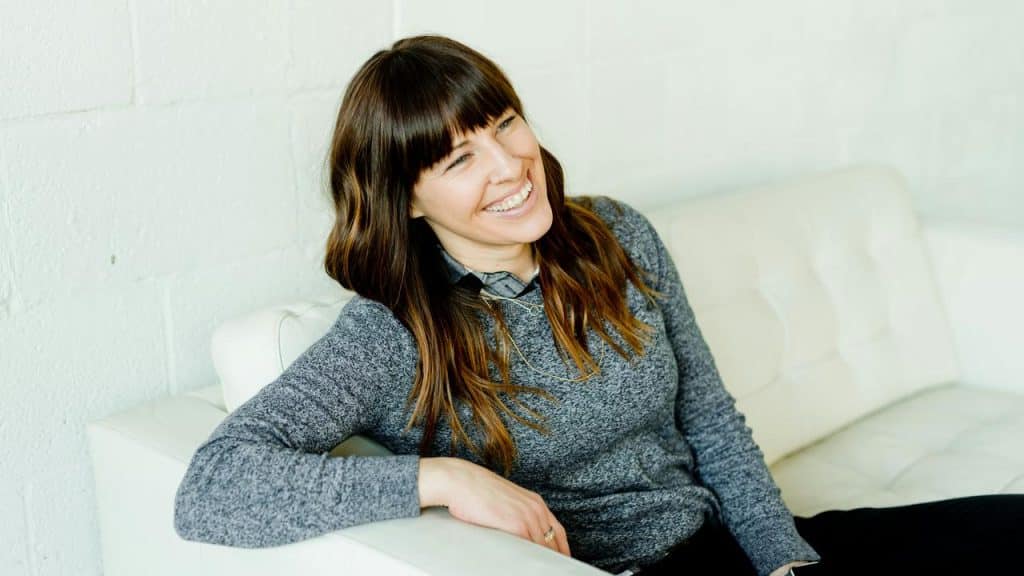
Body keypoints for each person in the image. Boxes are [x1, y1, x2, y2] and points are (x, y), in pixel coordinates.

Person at [174, 34, 1023, 576]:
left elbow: (709, 416)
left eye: (505, 125)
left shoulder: (612, 233)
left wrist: (783, 561)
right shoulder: (396, 330)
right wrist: (442, 479)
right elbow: (209, 489)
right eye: (459, 160)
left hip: (734, 540)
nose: (509, 166)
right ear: (408, 201)